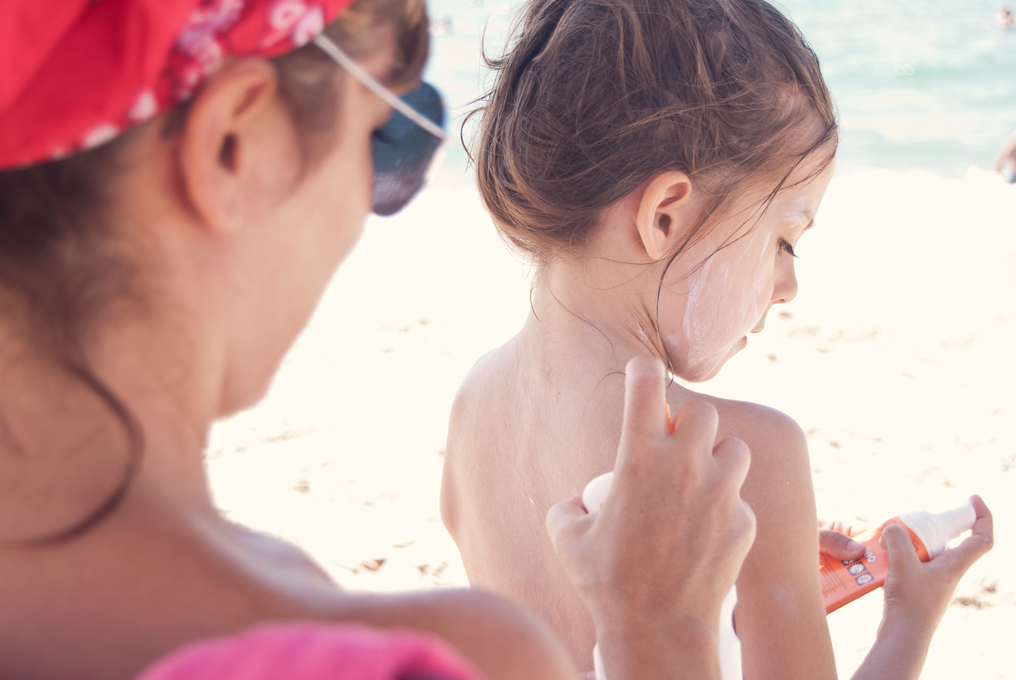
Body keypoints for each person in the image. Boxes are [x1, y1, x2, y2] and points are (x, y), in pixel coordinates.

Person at [0, 0, 757, 678]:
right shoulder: (423, 656)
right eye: (389, 136)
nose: (375, 203)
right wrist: (661, 634)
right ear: (239, 146)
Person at [440, 0, 995, 677]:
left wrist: (742, 578)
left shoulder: (472, 408)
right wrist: (910, 616)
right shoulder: (741, 458)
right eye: (785, 240)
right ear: (666, 217)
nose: (788, 285)